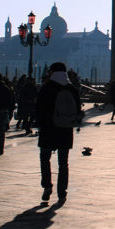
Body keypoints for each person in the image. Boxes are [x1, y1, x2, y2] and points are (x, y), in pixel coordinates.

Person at [36, 62, 80, 203]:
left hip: (48, 129)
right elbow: (78, 111)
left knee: (45, 158)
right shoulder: (72, 89)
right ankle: (62, 192)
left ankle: (47, 186)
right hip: (65, 130)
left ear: (52, 72)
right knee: (63, 162)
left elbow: (39, 109)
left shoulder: (47, 88)